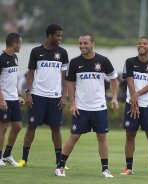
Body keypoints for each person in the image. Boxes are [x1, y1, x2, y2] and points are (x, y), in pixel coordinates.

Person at [55, 34, 119, 178]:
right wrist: (72, 104)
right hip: (81, 107)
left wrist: (114, 98)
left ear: (93, 44)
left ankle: (105, 170)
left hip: (99, 107)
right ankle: (60, 166)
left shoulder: (103, 60)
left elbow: (114, 79)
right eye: (80, 43)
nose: (82, 46)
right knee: (74, 136)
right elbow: (70, 84)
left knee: (102, 137)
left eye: (85, 43)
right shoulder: (75, 62)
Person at [16, 24, 69, 167]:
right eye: (58, 35)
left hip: (55, 97)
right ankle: (24, 159)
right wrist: (28, 93)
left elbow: (65, 76)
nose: (60, 38)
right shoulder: (36, 51)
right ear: (50, 35)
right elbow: (31, 73)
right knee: (31, 126)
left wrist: (64, 96)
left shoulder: (62, 53)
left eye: (61, 35)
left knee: (56, 128)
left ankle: (59, 162)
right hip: (37, 95)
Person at [120, 36, 148, 176]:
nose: (141, 45)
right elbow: (130, 81)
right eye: (139, 43)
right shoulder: (130, 61)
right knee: (130, 135)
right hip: (131, 104)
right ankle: (128, 168)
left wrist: (136, 95)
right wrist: (134, 100)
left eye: (144, 43)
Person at [0, 33, 24, 166]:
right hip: (4, 99)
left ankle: (7, 155)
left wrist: (18, 95)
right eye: (20, 43)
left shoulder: (15, 57)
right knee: (2, 128)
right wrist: (1, 100)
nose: (21, 45)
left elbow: (12, 80)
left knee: (18, 126)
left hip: (14, 98)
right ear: (14, 43)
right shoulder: (1, 59)